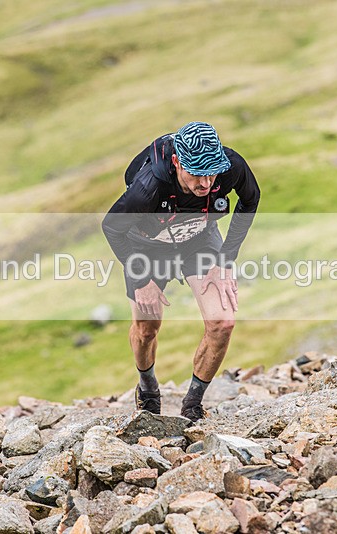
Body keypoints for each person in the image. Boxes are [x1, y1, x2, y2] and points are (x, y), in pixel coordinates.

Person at [101, 121, 261, 422]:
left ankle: (193, 404)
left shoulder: (230, 167)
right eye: (196, 174)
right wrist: (142, 279)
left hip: (198, 239)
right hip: (147, 248)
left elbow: (250, 200)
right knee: (147, 329)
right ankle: (147, 388)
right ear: (177, 163)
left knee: (223, 323)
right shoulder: (147, 189)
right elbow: (111, 227)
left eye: (211, 172)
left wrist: (225, 260)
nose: (206, 184)